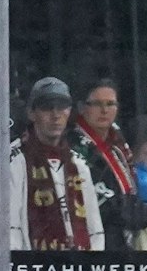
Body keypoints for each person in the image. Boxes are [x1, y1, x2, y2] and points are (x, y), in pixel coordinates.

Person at [7, 75, 103, 251]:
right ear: (31, 113)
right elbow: (8, 231)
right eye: (47, 107)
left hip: (77, 270)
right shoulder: (11, 162)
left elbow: (95, 232)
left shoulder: (78, 165)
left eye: (62, 107)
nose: (56, 115)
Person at [69, 78, 147, 250]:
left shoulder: (118, 144)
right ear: (82, 108)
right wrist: (123, 212)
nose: (104, 110)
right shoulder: (71, 145)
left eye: (110, 104)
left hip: (122, 242)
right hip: (90, 243)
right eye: (97, 104)